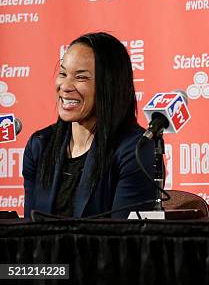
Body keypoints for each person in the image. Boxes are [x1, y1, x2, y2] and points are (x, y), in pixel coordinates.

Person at [23, 32, 156, 219]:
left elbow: (126, 239)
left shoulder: (135, 150)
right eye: (63, 73)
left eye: (81, 77)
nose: (65, 86)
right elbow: (28, 231)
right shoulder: (39, 145)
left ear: (109, 85)